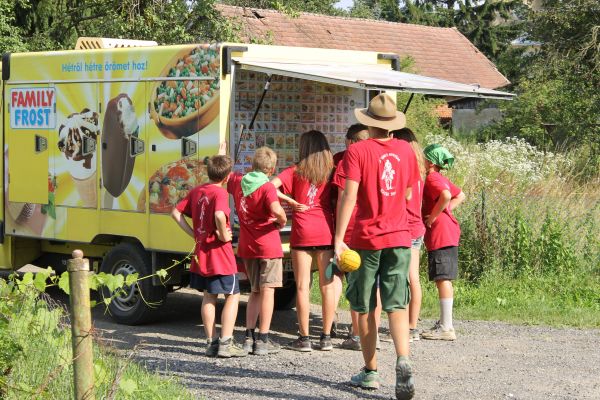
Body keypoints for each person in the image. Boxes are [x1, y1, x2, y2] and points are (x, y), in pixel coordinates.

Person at [335, 93, 419, 400]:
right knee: (397, 304)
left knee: (366, 305)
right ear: (393, 124)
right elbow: (409, 194)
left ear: (368, 123)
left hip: (366, 240)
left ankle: (370, 372)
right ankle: (403, 359)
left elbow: (349, 196)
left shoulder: (357, 152)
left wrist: (338, 237)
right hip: (400, 237)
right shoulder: (407, 152)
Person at [171, 155, 246, 358]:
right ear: (228, 176)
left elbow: (175, 213)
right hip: (220, 254)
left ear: (208, 172)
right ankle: (226, 342)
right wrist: (222, 234)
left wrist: (193, 233)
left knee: (208, 295)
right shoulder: (220, 193)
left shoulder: (197, 191)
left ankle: (211, 341)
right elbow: (220, 215)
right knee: (233, 294)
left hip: (201, 253)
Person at [272, 130, 338, 352]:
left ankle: (304, 338)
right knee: (327, 286)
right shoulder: (332, 171)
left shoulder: (295, 171)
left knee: (302, 286)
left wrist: (289, 200)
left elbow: (269, 187)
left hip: (302, 232)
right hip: (326, 231)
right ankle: (326, 337)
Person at [227, 146, 288, 355]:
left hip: (247, 245)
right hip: (268, 245)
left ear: (253, 165)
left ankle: (248, 336)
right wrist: (281, 220)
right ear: (271, 170)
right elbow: (275, 209)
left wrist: (223, 151)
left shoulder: (238, 182)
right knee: (268, 290)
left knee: (254, 291)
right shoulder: (267, 187)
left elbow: (224, 173)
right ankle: (263, 338)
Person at [332, 123, 381, 351]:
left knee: (355, 284)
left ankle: (356, 334)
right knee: (373, 285)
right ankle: (373, 333)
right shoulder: (377, 158)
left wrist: (337, 234)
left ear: (350, 142)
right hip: (373, 228)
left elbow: (344, 197)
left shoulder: (346, 161)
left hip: (352, 228)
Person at [420, 144, 465, 341]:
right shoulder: (440, 178)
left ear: (430, 162)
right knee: (442, 277)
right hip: (447, 231)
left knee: (442, 278)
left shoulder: (431, 178)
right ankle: (445, 323)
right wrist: (446, 211)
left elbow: (447, 196)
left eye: (423, 158)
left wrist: (433, 218)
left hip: (441, 234)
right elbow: (460, 195)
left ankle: (447, 327)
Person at [391, 128, 426, 342]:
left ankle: (409, 326)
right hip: (418, 225)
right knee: (414, 277)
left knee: (406, 278)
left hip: (407, 226)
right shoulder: (420, 169)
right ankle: (412, 325)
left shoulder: (405, 168)